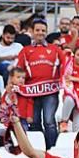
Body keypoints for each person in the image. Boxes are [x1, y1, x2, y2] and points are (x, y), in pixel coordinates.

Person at [16, 18, 63, 148]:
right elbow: (19, 70)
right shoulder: (25, 50)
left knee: (49, 121)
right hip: (31, 93)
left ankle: (53, 150)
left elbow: (66, 65)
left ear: (47, 32)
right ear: (32, 31)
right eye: (37, 30)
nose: (40, 33)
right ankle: (39, 151)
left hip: (50, 91)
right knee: (35, 122)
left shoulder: (55, 49)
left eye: (43, 30)